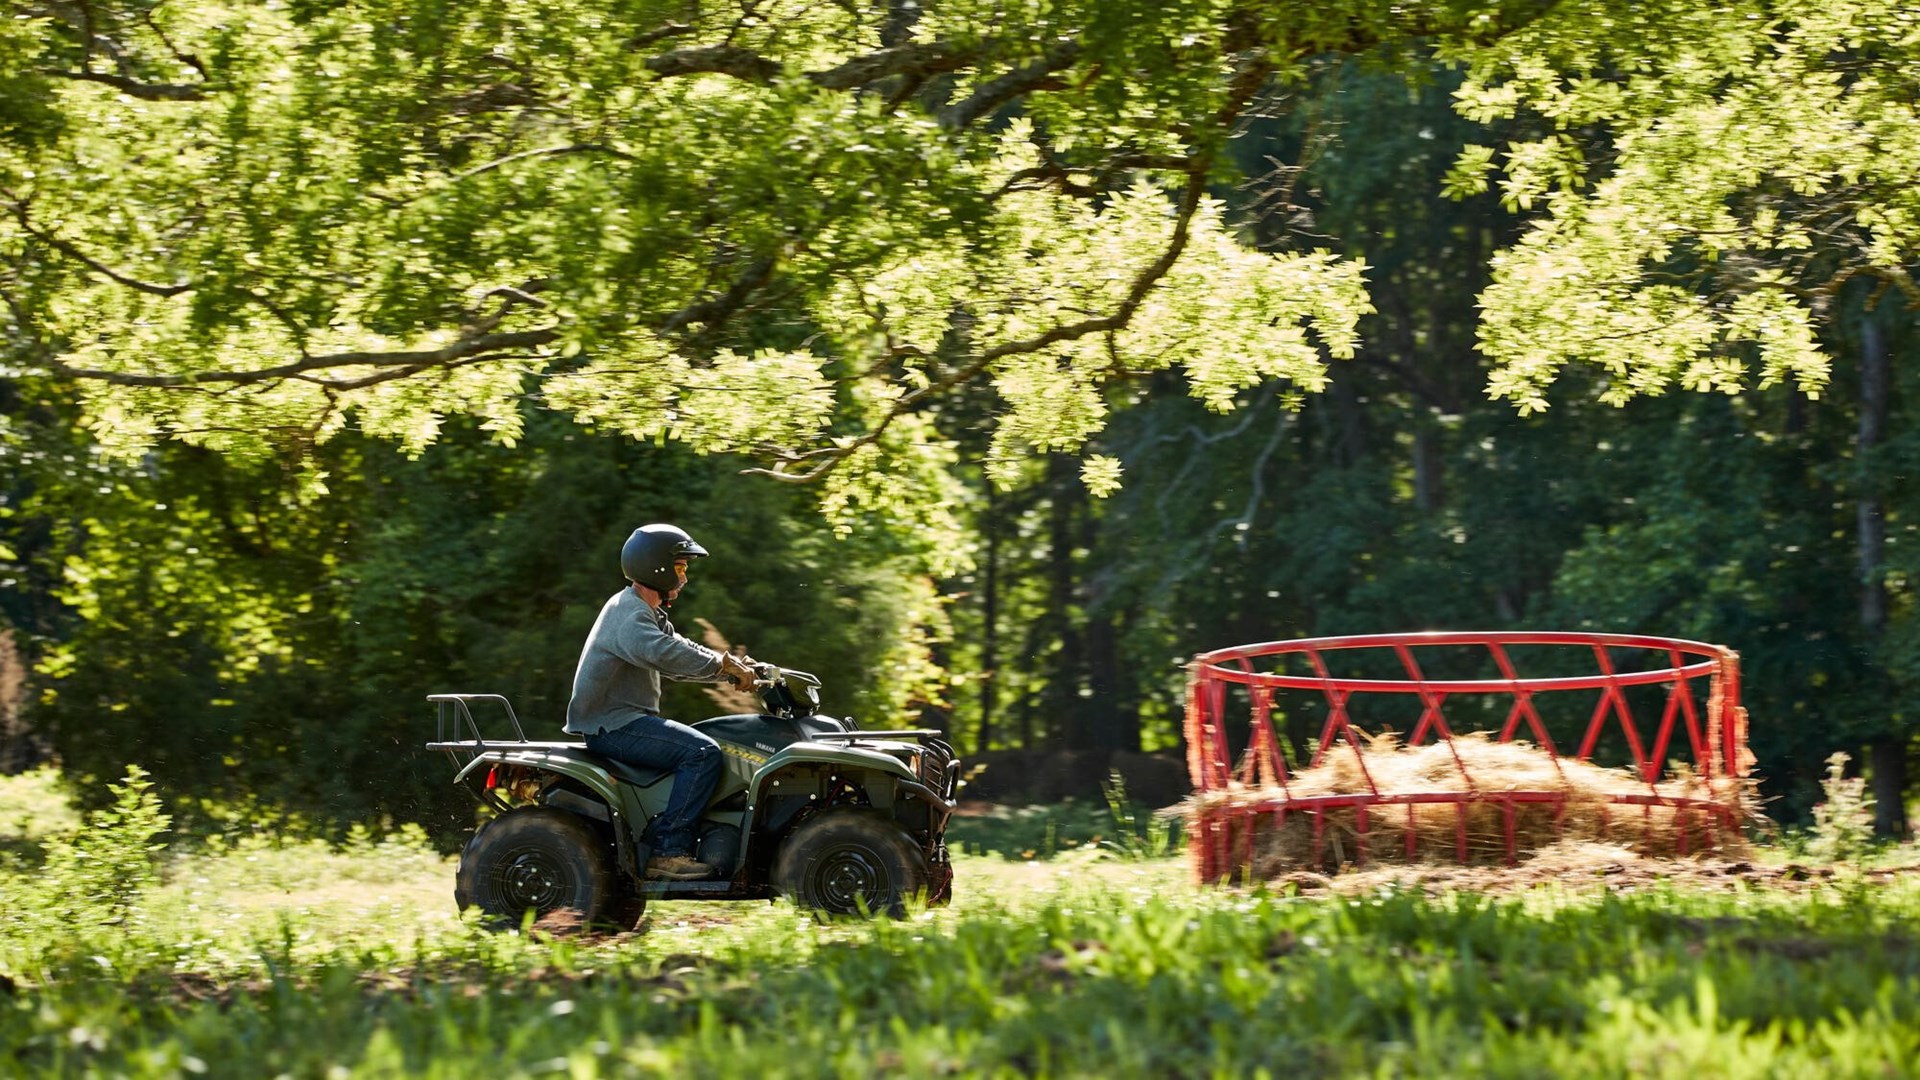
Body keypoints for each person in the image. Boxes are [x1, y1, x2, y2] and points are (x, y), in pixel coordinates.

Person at [564, 523, 761, 881]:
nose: (684, 577)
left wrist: (737, 666)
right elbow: (665, 654)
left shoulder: (644, 610)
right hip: (612, 725)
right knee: (702, 753)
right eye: (681, 567)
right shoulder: (629, 613)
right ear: (656, 566)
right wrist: (722, 666)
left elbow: (681, 650)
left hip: (622, 721)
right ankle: (668, 851)